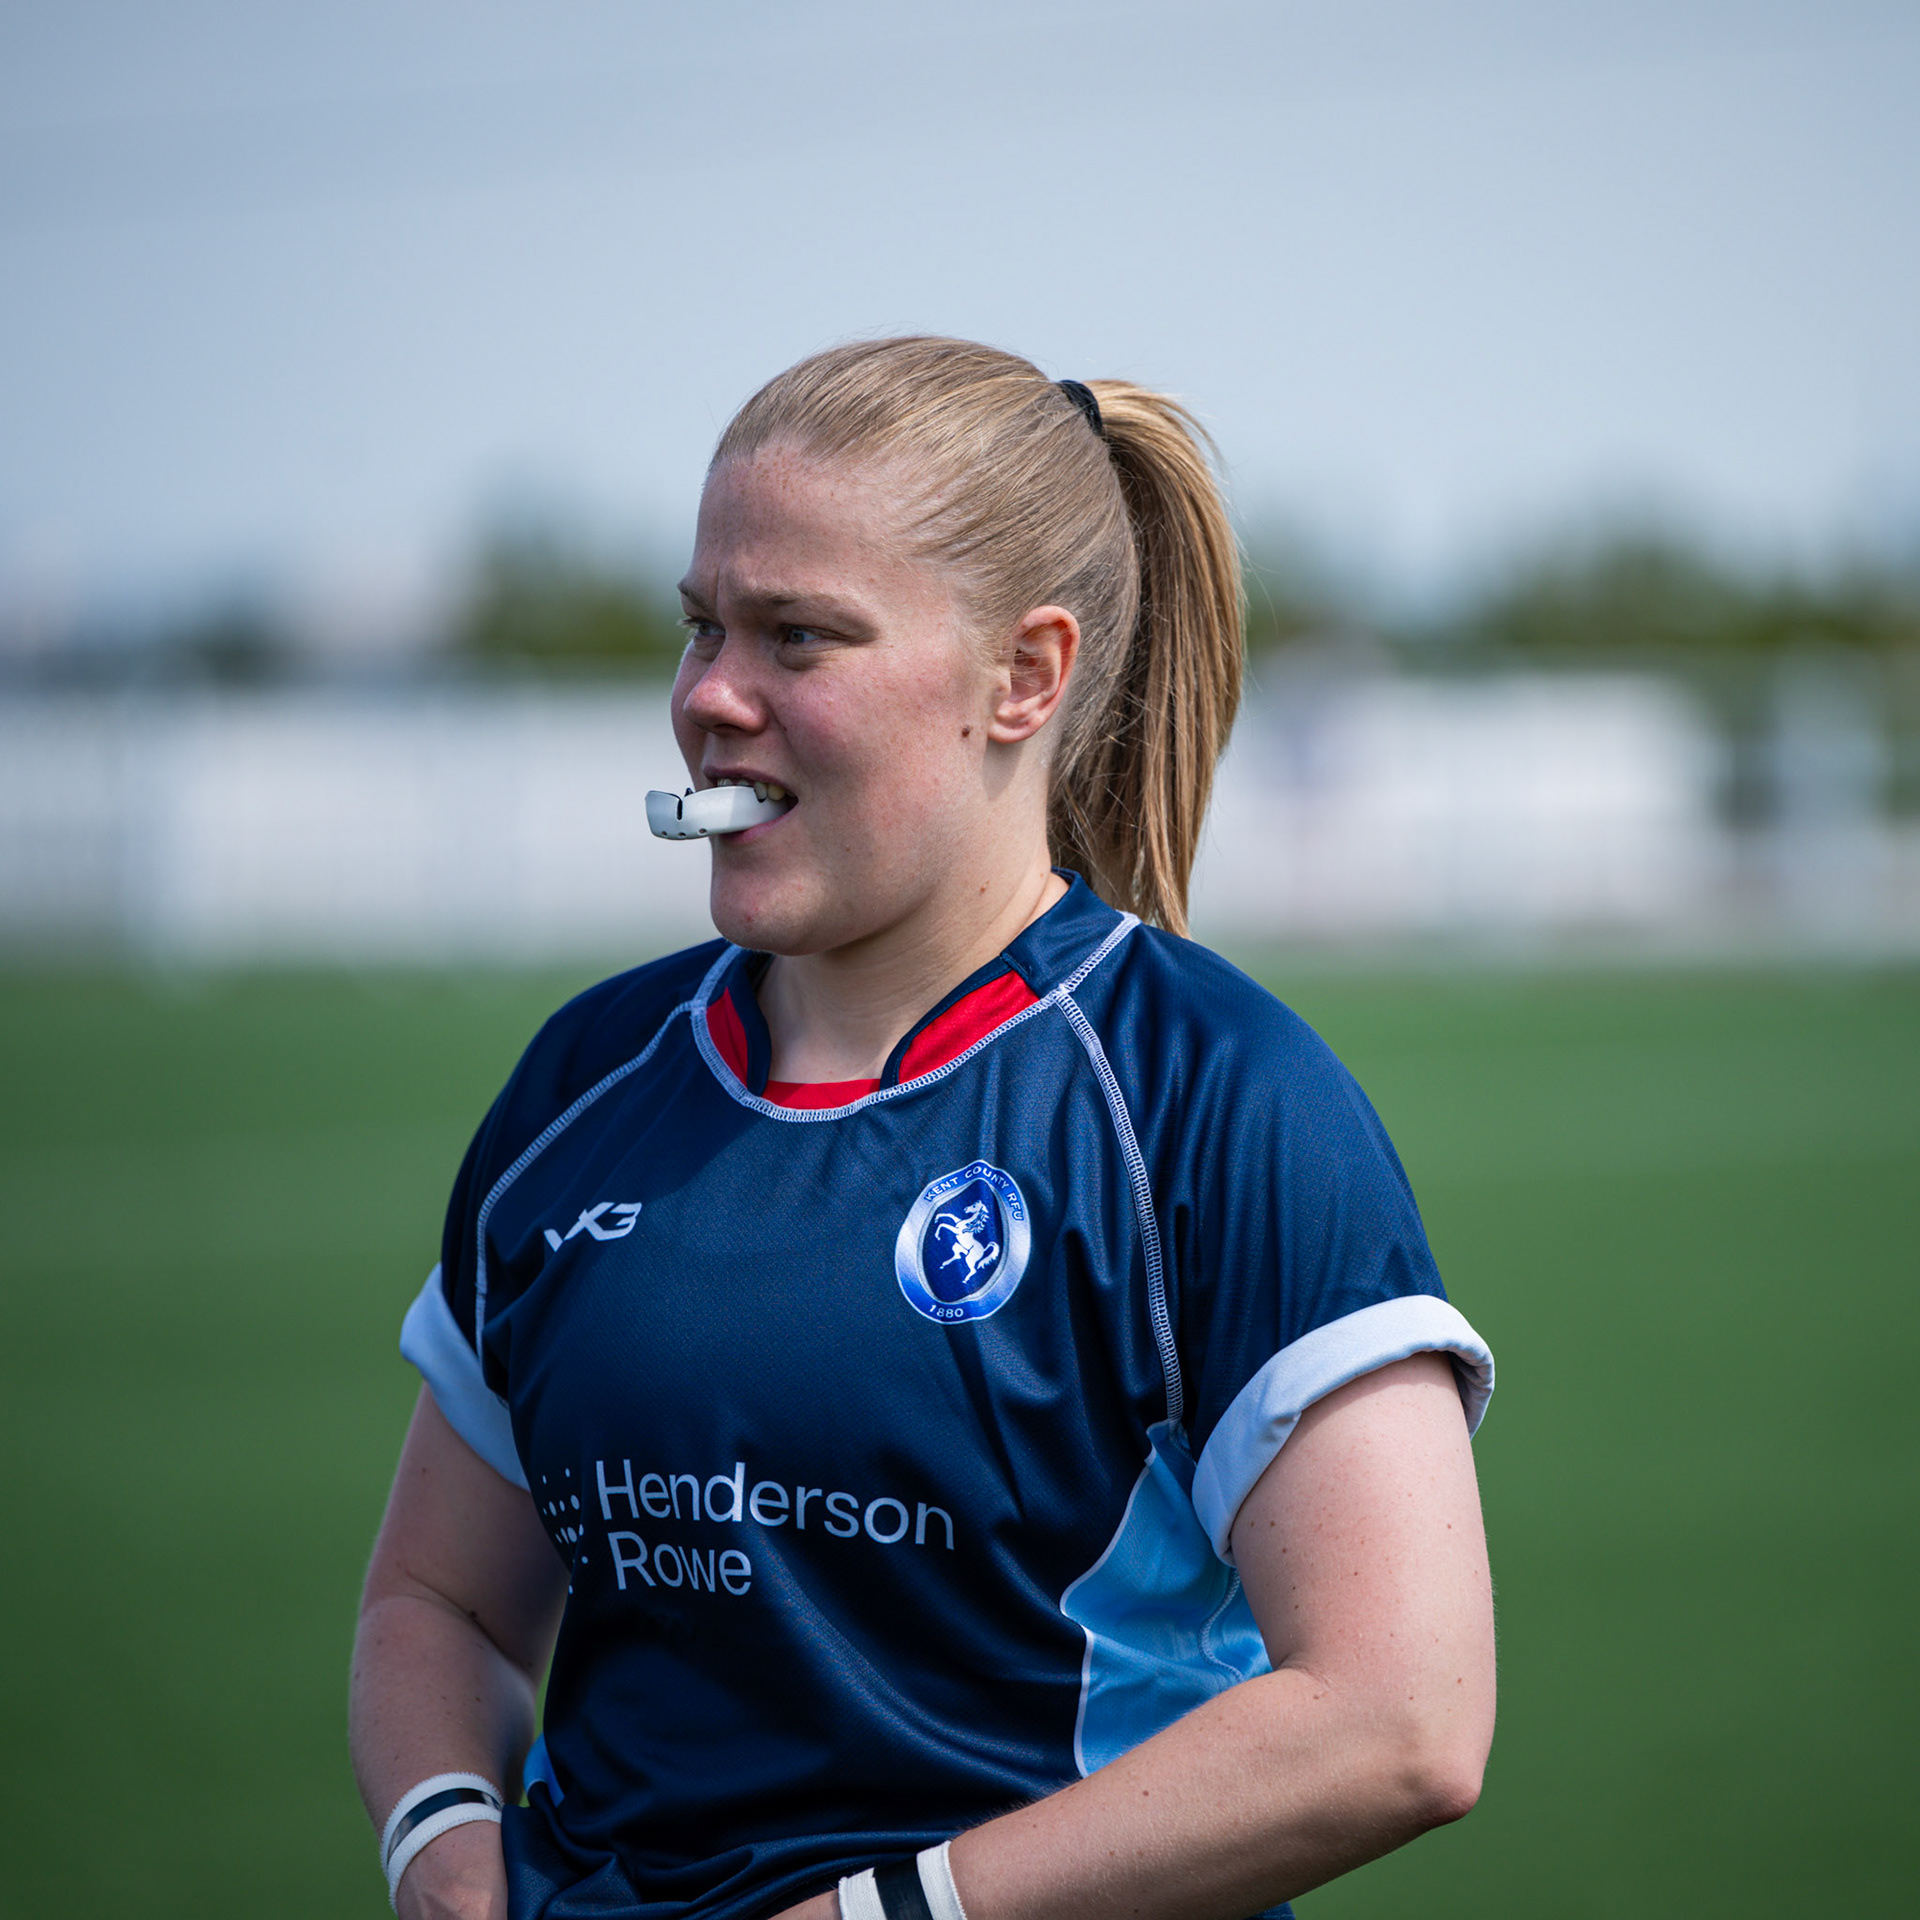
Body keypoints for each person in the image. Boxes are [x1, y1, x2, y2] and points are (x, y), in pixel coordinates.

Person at [349, 337, 1496, 1920]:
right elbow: (439, 1602)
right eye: (701, 626)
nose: (709, 696)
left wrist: (891, 1914)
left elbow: (1400, 1720)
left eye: (798, 636)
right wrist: (443, 1853)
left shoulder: (1214, 1096)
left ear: (1024, 677)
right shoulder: (585, 1083)